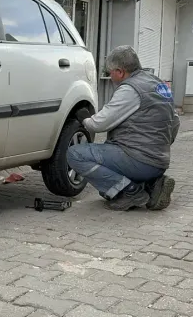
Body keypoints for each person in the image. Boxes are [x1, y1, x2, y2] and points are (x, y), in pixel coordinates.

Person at [67, 45, 180, 211]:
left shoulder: (130, 89)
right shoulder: (158, 84)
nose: (109, 76)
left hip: (138, 159)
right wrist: (157, 147)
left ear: (120, 72)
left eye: (109, 72)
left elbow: (100, 124)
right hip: (159, 160)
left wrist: (85, 118)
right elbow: (175, 122)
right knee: (107, 191)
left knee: (75, 154)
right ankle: (152, 184)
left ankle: (131, 192)